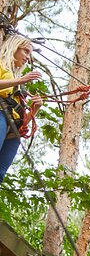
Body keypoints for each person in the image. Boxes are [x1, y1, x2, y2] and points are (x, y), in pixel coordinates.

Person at [0, 35, 42, 182]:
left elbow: (23, 122)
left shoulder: (17, 84)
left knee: (0, 174)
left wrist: (34, 109)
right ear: (14, 47)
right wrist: (21, 80)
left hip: (13, 131)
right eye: (25, 51)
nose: (27, 57)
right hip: (1, 116)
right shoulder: (2, 66)